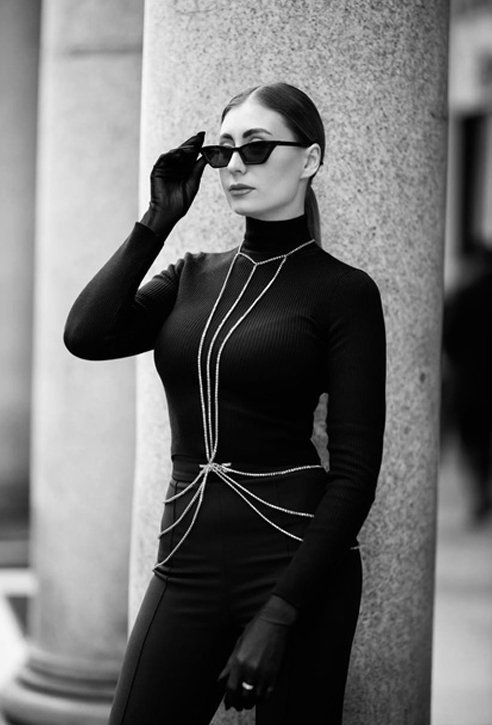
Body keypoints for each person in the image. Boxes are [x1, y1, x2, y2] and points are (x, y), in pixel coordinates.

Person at [64, 82, 386, 725]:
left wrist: (281, 613)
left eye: (258, 147)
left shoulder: (344, 293)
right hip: (187, 559)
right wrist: (157, 221)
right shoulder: (189, 274)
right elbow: (86, 336)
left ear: (311, 159)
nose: (235, 164)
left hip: (296, 564)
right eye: (224, 151)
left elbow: (354, 475)